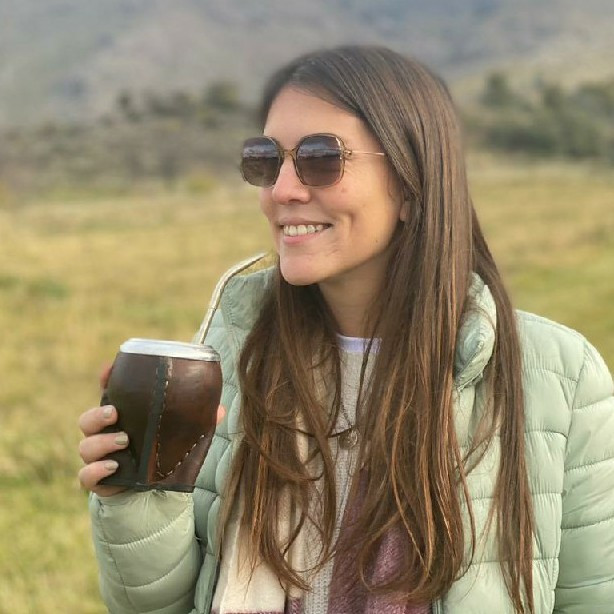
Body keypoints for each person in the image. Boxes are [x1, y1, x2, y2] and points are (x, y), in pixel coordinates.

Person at [78, 45, 614, 614]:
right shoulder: (230, 357)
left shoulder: (561, 377)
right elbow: (158, 606)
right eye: (265, 160)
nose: (282, 189)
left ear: (410, 182)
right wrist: (138, 495)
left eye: (320, 158)